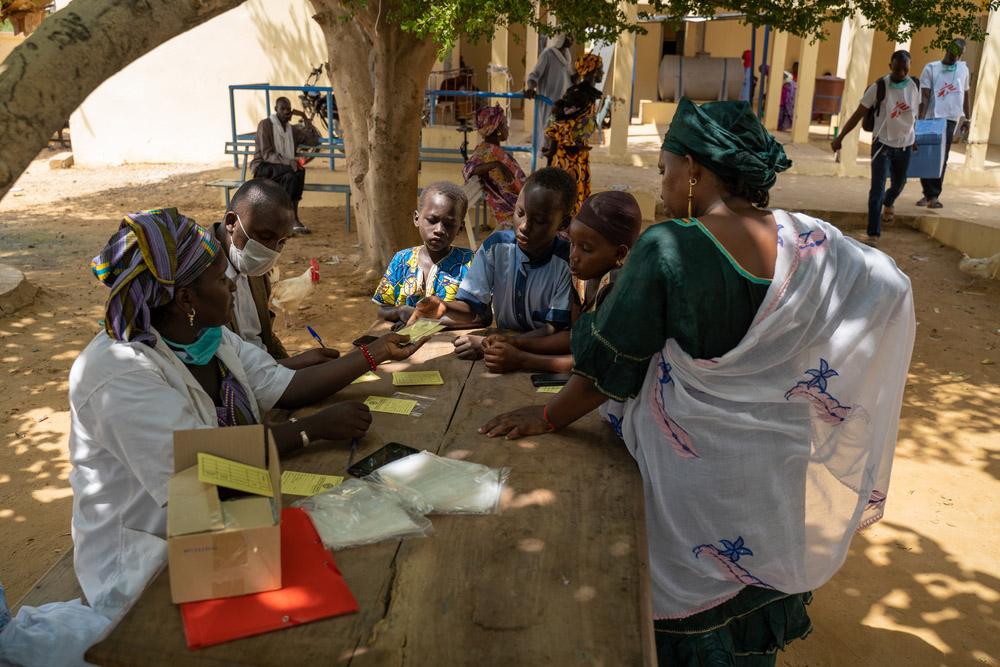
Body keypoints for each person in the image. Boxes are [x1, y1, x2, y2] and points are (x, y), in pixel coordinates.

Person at [481, 98, 915, 665]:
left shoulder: (671, 247)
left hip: (697, 481)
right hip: (775, 465)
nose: (660, 180)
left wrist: (543, 416)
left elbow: (607, 367)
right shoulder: (812, 240)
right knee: (754, 586)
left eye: (665, 167)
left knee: (690, 605)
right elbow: (891, 284)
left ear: (695, 171)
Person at [70, 208, 424, 620]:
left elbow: (283, 384)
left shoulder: (207, 337)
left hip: (223, 514)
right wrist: (309, 431)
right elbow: (200, 469)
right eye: (221, 280)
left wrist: (373, 352)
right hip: (149, 555)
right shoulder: (118, 372)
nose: (233, 289)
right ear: (186, 298)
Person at [408, 167, 577, 360]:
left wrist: (498, 345)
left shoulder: (568, 262)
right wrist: (444, 306)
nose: (524, 226)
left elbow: (553, 330)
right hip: (500, 349)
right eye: (520, 213)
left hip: (542, 353)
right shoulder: (495, 248)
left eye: (539, 221)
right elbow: (474, 306)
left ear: (563, 223)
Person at [481, 191, 642, 374]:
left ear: (620, 254)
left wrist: (522, 360)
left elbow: (597, 362)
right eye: (572, 243)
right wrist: (514, 342)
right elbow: (573, 338)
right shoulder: (581, 279)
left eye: (586, 249)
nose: (573, 256)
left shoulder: (617, 288)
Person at [213, 178, 337, 367]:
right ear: (232, 222)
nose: (272, 250)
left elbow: (263, 338)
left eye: (282, 242)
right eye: (265, 236)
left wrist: (289, 365)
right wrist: (291, 366)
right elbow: (224, 367)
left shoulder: (256, 273)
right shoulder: (199, 276)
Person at [832, 50, 920, 245]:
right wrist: (840, 138)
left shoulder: (914, 85)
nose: (901, 74)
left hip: (905, 145)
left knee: (899, 184)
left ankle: (889, 203)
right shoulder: (879, 87)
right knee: (877, 189)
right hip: (883, 145)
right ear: (890, 66)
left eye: (905, 70)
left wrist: (914, 137)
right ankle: (873, 234)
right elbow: (857, 114)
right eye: (897, 70)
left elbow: (914, 115)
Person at [373, 182, 474, 323]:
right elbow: (383, 310)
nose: (439, 229)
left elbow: (482, 315)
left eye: (449, 224)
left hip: (448, 342)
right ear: (416, 219)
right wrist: (400, 311)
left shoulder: (469, 263)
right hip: (403, 340)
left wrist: (429, 319)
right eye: (432, 220)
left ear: (460, 228)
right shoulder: (402, 260)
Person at [250, 96, 320, 235]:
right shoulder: (265, 125)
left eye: (289, 109)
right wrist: (289, 162)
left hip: (282, 168)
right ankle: (289, 220)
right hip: (263, 166)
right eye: (283, 109)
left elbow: (313, 140)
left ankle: (291, 219)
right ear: (276, 110)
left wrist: (304, 117)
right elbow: (267, 154)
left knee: (297, 172)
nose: (286, 112)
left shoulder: (291, 129)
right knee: (291, 175)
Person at [544, 53, 603, 216]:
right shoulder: (579, 95)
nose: (603, 73)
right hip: (568, 157)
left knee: (575, 197)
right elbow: (560, 123)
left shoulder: (587, 94)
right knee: (567, 198)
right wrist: (565, 145)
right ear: (592, 71)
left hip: (577, 155)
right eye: (601, 70)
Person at [917, 38, 971, 209]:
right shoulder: (931, 68)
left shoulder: (963, 70)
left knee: (942, 157)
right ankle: (928, 193)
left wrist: (968, 118)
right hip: (931, 117)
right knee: (927, 155)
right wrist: (920, 121)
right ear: (947, 49)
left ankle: (933, 196)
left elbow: (966, 94)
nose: (956, 56)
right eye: (953, 52)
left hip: (950, 119)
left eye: (959, 54)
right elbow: (924, 96)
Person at [462, 106, 526, 229]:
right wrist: (497, 165)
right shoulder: (485, 151)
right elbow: (468, 169)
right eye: (505, 124)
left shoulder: (494, 150)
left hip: (520, 201)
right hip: (512, 208)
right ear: (497, 129)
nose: (507, 128)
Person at [523, 33, 576, 130]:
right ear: (561, 39)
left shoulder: (567, 56)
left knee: (561, 134)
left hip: (563, 104)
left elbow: (569, 77)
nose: (572, 40)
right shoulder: (547, 54)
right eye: (569, 37)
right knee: (547, 132)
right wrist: (530, 88)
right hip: (549, 103)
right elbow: (535, 75)